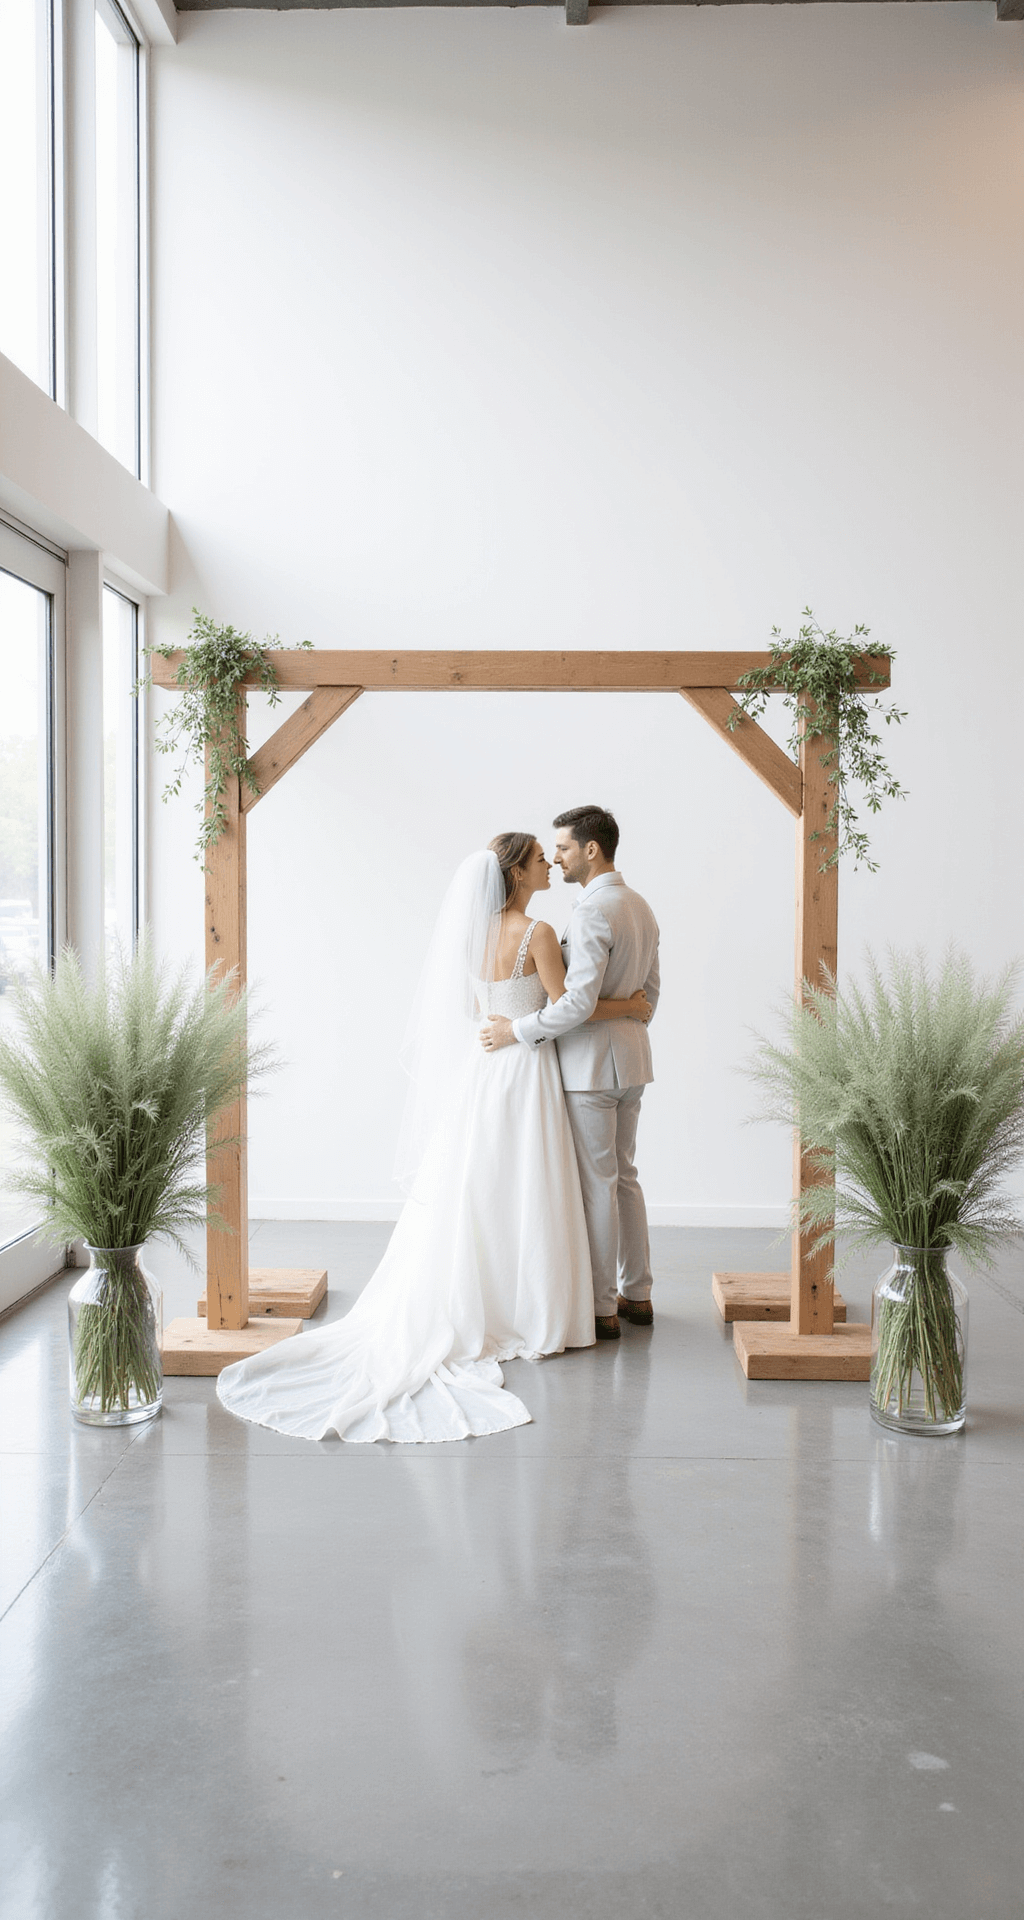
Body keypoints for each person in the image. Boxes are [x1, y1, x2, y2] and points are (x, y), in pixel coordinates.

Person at [216, 832, 651, 1444]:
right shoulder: (541, 934)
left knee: (478, 1186)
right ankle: (534, 1303)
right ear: (518, 875)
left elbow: (476, 1011)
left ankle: (483, 1297)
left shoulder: (474, 938)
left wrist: (504, 1027)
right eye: (538, 861)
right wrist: (630, 1005)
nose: (548, 865)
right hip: (526, 1068)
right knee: (530, 1184)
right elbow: (567, 1008)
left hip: (485, 1071)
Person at [480, 806, 660, 1341]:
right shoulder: (641, 906)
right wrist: (629, 1014)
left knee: (599, 1184)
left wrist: (515, 1031)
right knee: (626, 1177)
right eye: (548, 852)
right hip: (632, 1062)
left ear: (590, 850)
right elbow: (648, 994)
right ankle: (640, 1293)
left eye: (561, 848)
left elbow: (576, 1004)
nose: (556, 857)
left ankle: (603, 1305)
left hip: (588, 1068)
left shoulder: (587, 913)